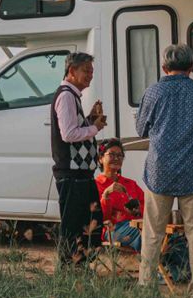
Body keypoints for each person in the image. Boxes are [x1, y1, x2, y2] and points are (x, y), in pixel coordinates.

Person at [135, 43, 193, 298]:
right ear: (192, 67)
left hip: (159, 171)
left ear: (164, 67)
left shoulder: (152, 92)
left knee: (153, 233)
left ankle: (146, 289)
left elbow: (142, 129)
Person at [50, 51, 107, 266]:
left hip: (80, 172)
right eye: (86, 71)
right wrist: (95, 127)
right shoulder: (66, 96)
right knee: (74, 225)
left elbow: (73, 129)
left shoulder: (72, 96)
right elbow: (69, 134)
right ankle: (70, 267)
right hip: (72, 172)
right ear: (72, 71)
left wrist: (90, 119)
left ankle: (78, 264)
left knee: (88, 222)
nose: (90, 75)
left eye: (91, 71)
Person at [95, 138, 144, 251]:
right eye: (111, 155)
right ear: (100, 159)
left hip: (137, 225)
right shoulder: (95, 185)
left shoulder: (130, 184)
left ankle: (175, 268)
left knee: (171, 236)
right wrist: (105, 195)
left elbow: (147, 206)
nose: (116, 158)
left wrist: (137, 211)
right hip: (112, 230)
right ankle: (151, 266)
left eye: (120, 155)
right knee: (146, 234)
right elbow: (99, 219)